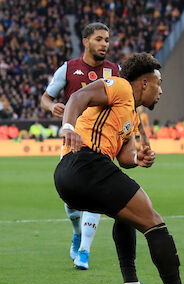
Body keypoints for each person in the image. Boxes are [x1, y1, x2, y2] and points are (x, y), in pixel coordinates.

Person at [54, 52, 184, 284]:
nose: (161, 91)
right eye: (159, 83)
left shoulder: (131, 114)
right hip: (85, 163)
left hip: (71, 175)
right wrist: (67, 128)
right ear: (144, 82)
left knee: (126, 215)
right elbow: (77, 97)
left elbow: (124, 159)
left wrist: (138, 159)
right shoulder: (119, 86)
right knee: (153, 221)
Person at [41, 23, 150, 270]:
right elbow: (46, 97)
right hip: (73, 140)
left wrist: (135, 136)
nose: (104, 44)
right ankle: (77, 232)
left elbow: (129, 104)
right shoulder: (68, 69)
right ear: (86, 41)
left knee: (95, 191)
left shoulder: (116, 71)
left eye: (107, 40)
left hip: (103, 142)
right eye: (99, 39)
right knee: (71, 203)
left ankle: (84, 251)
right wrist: (51, 107)